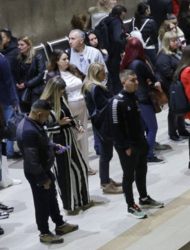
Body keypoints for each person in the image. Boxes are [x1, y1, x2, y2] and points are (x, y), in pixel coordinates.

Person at [20, 100, 80, 243]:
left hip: (44, 169)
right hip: (37, 173)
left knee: (51, 198)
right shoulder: (28, 130)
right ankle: (44, 233)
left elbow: (40, 143)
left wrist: (52, 146)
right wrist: (42, 179)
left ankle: (59, 224)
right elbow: (32, 160)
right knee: (41, 203)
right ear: (39, 113)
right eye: (46, 116)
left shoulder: (34, 124)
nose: (47, 119)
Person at [110, 70, 163, 217]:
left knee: (141, 172)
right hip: (127, 146)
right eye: (133, 80)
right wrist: (125, 147)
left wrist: (145, 141)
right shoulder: (117, 101)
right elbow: (115, 128)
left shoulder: (134, 97)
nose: (136, 82)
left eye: (136, 79)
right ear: (123, 83)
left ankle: (144, 198)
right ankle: (130, 205)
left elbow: (138, 121)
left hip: (139, 142)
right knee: (128, 176)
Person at [40, 76, 91, 215]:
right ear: (54, 90)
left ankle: (83, 200)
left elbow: (70, 116)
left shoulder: (61, 99)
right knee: (64, 174)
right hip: (58, 143)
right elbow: (40, 129)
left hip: (70, 138)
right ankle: (70, 205)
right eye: (61, 91)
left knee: (80, 168)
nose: (63, 94)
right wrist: (58, 124)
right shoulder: (43, 105)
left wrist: (78, 126)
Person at [83, 63, 121, 195]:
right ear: (96, 73)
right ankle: (105, 183)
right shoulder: (96, 88)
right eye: (102, 72)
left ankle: (106, 180)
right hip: (103, 125)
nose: (105, 75)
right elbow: (104, 105)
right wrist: (115, 99)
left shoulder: (89, 86)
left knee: (106, 154)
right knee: (106, 154)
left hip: (98, 124)